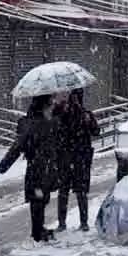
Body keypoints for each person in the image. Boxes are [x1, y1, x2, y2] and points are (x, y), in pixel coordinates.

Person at [0, 94, 59, 242]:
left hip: (41, 168)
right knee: (38, 199)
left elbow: (19, 145)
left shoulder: (42, 122)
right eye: (50, 104)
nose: (52, 107)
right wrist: (5, 164)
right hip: (38, 169)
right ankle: (37, 232)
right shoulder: (35, 124)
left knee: (41, 199)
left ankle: (39, 229)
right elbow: (18, 146)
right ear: (43, 106)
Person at [55, 88, 100, 232]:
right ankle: (63, 223)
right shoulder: (62, 112)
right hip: (67, 158)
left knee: (79, 192)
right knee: (65, 191)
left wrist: (89, 121)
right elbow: (55, 130)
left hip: (79, 158)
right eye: (73, 97)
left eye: (77, 97)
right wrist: (61, 111)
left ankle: (82, 222)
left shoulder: (85, 114)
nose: (75, 100)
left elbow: (96, 131)